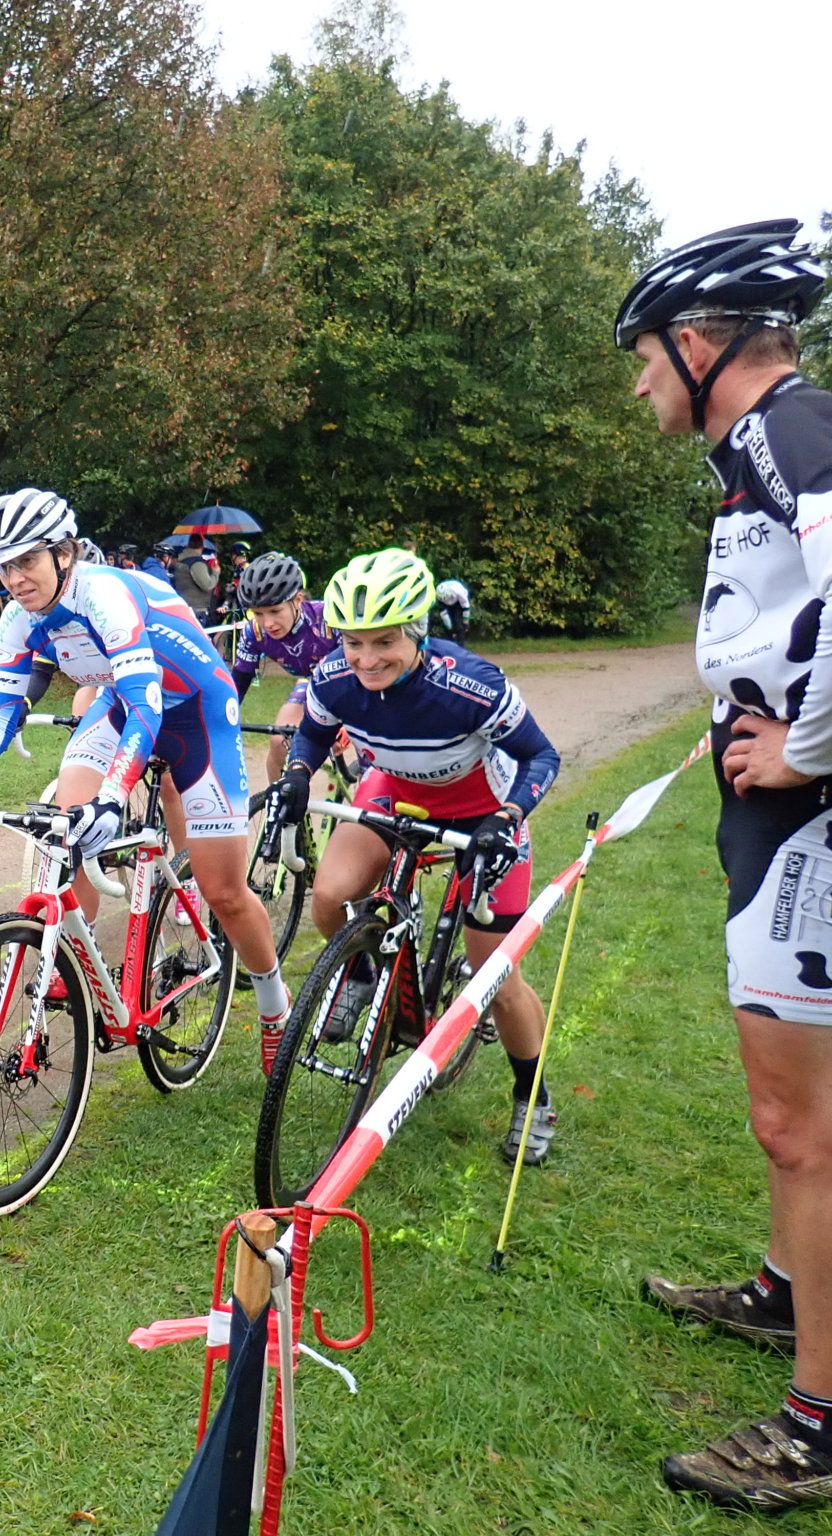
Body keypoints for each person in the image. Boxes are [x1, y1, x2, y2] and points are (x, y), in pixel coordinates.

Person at [612, 218, 832, 1513]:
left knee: (798, 1126)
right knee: (791, 1123)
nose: (641, 380)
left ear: (702, 346)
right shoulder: (762, 450)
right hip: (779, 812)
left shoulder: (789, 434)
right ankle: (785, 1291)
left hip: (806, 814)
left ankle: (818, 1421)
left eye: (645, 355)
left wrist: (805, 750)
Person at [0, 488, 293, 1067]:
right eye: (3, 567)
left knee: (224, 892)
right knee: (63, 830)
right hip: (122, 706)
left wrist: (115, 796)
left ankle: (274, 1000)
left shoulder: (105, 595)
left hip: (195, 712)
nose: (14, 579)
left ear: (64, 553)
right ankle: (74, 954)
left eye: (26, 562)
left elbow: (150, 702)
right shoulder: (20, 620)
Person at [272, 548, 559, 1147]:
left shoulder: (470, 685)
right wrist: (298, 772)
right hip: (396, 792)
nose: (366, 659)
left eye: (383, 643)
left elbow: (542, 756)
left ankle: (532, 1099)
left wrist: (507, 818)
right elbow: (313, 735)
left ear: (417, 632)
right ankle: (363, 967)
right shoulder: (332, 677)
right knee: (328, 894)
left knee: (496, 979)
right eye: (354, 642)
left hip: (481, 811)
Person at [231, 553, 336, 781]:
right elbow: (238, 681)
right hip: (311, 684)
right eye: (258, 613)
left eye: (275, 611)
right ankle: (276, 807)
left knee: (365, 746)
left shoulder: (329, 618)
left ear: (298, 600)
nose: (267, 623)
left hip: (350, 686)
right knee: (279, 739)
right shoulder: (254, 632)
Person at [173, 534, 219, 624]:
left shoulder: (181, 561)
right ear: (202, 545)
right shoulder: (197, 563)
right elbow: (207, 585)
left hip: (184, 607)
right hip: (197, 609)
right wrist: (215, 573)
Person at [433, 578, 471, 643]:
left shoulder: (459, 592)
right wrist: (451, 629)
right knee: (447, 625)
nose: (447, 601)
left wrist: (466, 621)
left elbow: (465, 606)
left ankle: (461, 645)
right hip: (444, 603)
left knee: (458, 622)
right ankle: (449, 643)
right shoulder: (438, 592)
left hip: (458, 602)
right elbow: (444, 615)